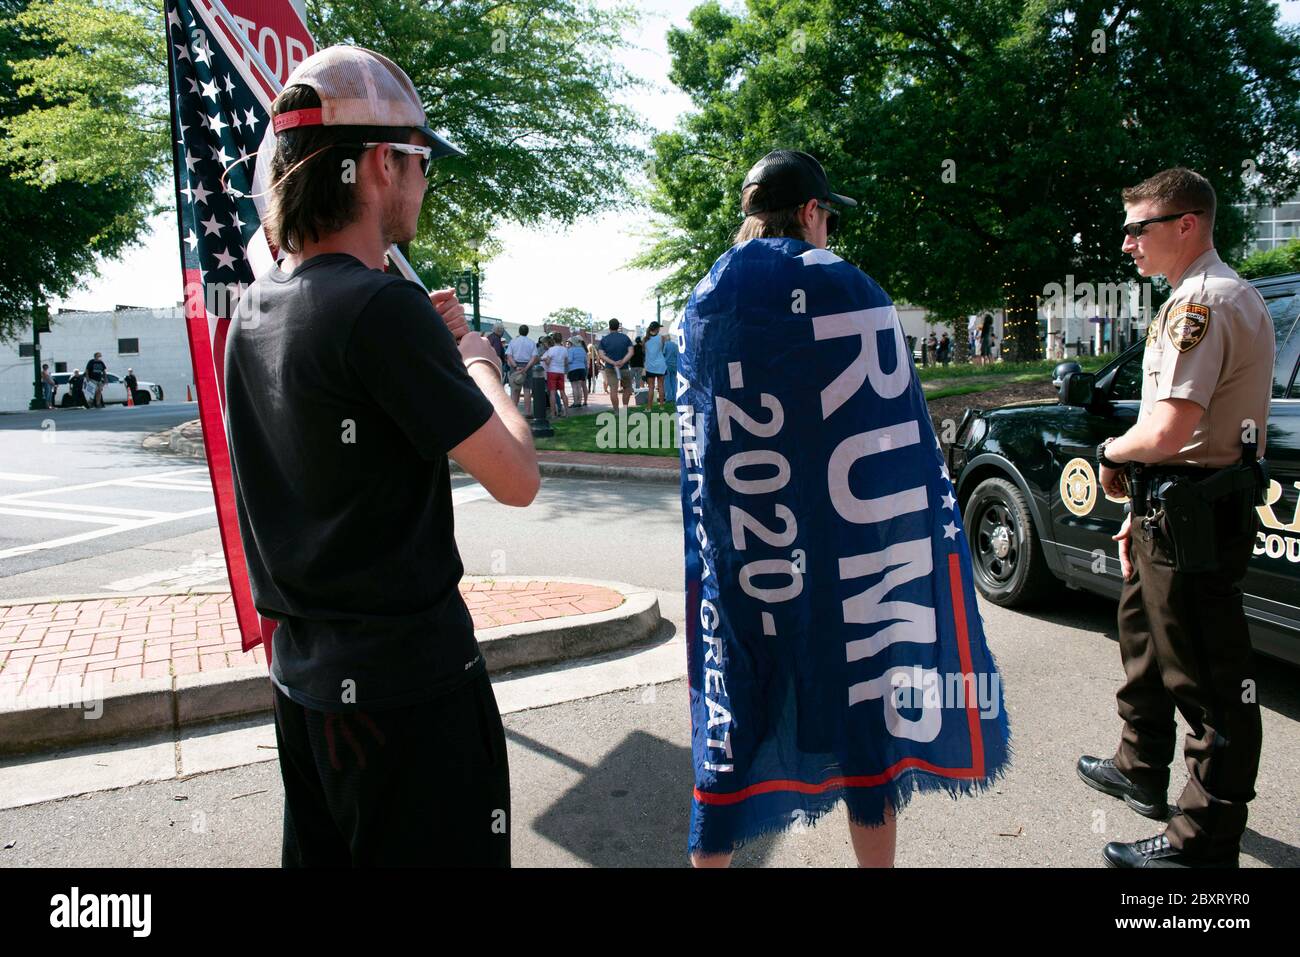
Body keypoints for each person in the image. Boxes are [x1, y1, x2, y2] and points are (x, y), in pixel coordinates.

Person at [223, 45, 538, 868]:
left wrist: (422, 357)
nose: (425, 180)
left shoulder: (252, 311)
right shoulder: (381, 308)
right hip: (410, 694)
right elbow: (517, 476)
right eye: (419, 160)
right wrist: (477, 358)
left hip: (306, 689)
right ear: (375, 167)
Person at [678, 149, 1008, 868]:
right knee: (866, 725)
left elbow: (704, 443)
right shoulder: (847, 288)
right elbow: (895, 434)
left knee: (730, 725)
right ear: (810, 213)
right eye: (828, 217)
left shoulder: (704, 300)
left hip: (746, 563)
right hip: (845, 564)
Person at [1079, 167, 1272, 868]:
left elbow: (1168, 431)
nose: (1127, 242)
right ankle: (1140, 766)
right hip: (1169, 505)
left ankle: (1201, 841)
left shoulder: (1205, 304)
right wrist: (1138, 502)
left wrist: (1108, 449)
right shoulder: (1191, 298)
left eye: (1139, 228)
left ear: (1186, 224)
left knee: (1209, 680)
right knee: (1146, 638)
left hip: (1194, 513)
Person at [598, 318, 633, 411]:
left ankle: (616, 411)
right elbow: (631, 352)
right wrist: (622, 361)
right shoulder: (625, 338)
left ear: (609, 327)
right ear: (618, 327)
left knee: (613, 389)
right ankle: (624, 409)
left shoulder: (604, 340)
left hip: (610, 368)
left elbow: (601, 355)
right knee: (627, 388)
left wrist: (613, 362)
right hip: (624, 367)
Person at [506, 323, 537, 416]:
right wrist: (526, 368)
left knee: (515, 390)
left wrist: (515, 367)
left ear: (519, 331)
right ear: (527, 332)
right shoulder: (532, 342)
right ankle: (527, 412)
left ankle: (513, 412)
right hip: (527, 366)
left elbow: (509, 355)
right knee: (527, 390)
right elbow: (534, 357)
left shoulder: (513, 341)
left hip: (515, 365)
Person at [542, 334, 569, 417]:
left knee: (552, 393)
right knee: (562, 392)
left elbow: (548, 362)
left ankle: (553, 413)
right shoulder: (564, 349)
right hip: (561, 372)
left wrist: (545, 360)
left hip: (552, 372)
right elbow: (566, 362)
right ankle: (566, 412)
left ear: (553, 340)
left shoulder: (551, 350)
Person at [643, 321, 668, 408]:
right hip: (661, 365)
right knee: (661, 386)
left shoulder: (645, 339)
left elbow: (645, 352)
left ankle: (649, 407)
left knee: (651, 387)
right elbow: (662, 348)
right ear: (657, 329)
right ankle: (661, 406)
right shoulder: (661, 338)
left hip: (650, 366)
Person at [566, 336, 588, 408]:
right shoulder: (582, 349)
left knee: (574, 387)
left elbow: (570, 360)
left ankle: (575, 402)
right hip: (582, 369)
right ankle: (579, 402)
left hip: (573, 369)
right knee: (579, 386)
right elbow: (585, 360)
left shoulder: (571, 350)